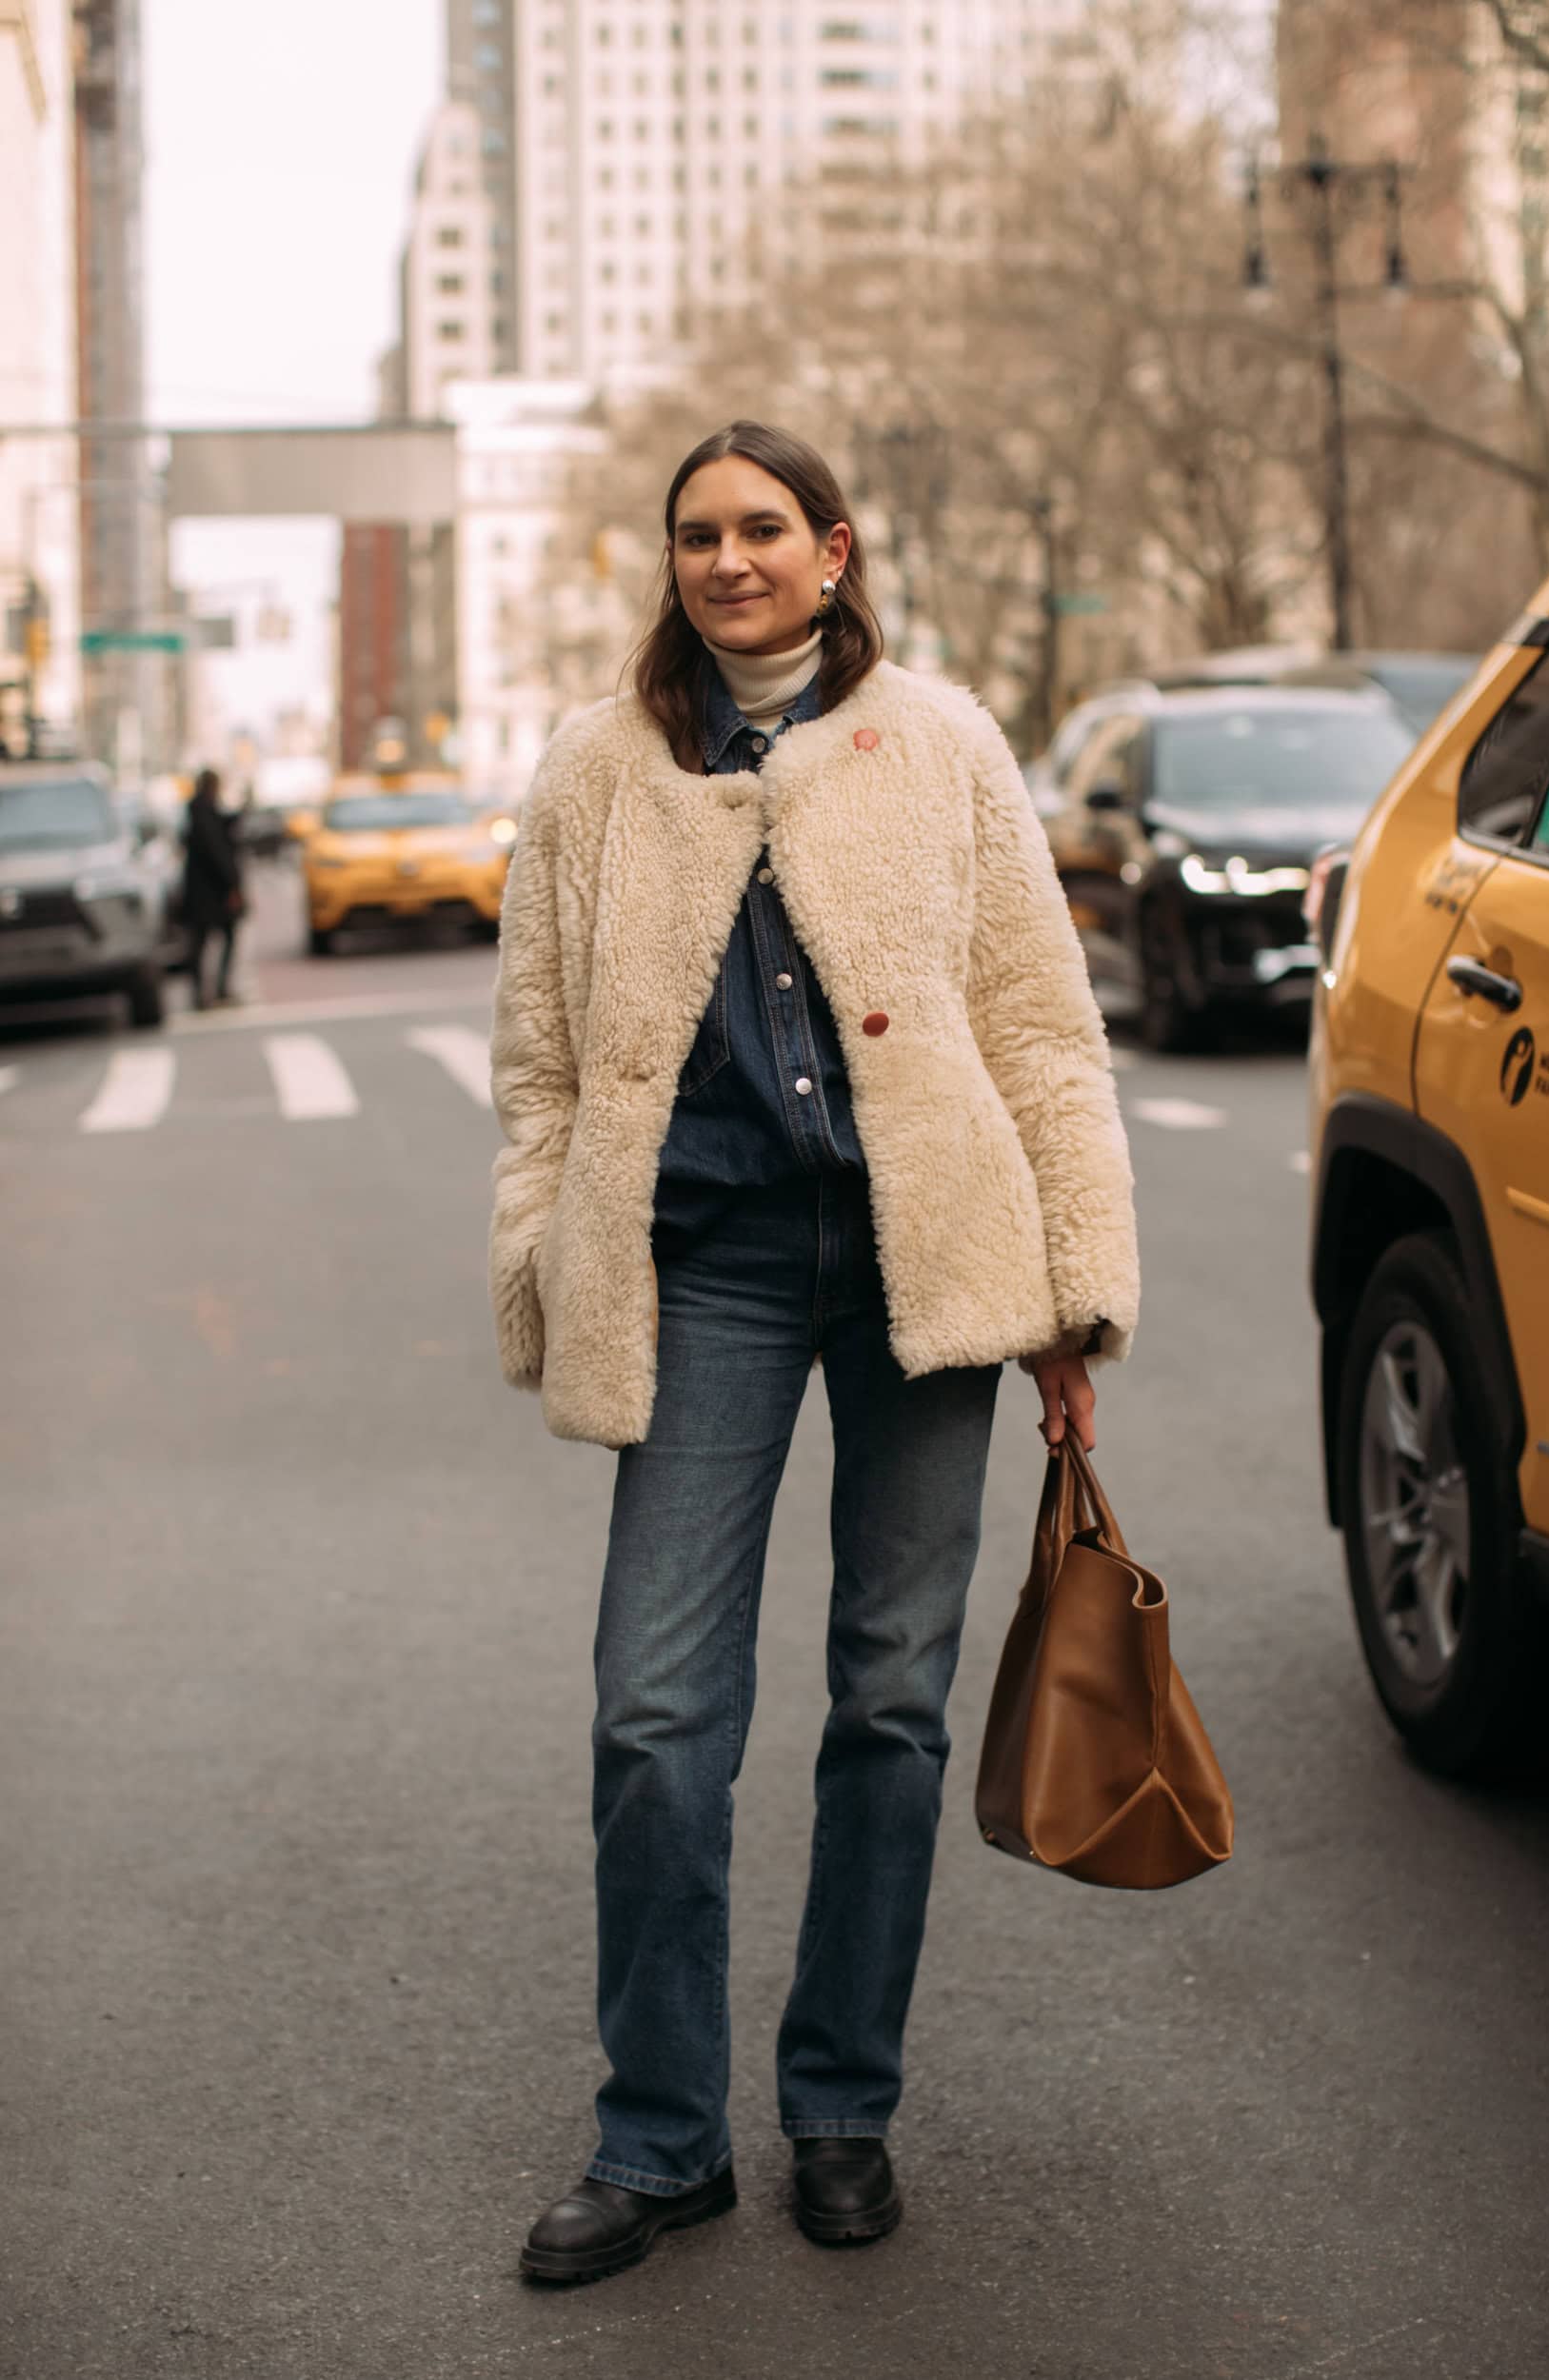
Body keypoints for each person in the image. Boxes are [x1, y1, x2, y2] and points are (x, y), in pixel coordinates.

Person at [489, 421, 1140, 2287]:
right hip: (701, 1267)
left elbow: (1035, 1021)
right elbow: (538, 1048)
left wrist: (1069, 1298)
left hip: (916, 1262)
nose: (725, 559)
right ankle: (660, 2136)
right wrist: (542, 1255)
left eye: (760, 527)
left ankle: (840, 2104)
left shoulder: (938, 742)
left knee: (887, 1695)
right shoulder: (599, 764)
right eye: (696, 533)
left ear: (832, 548)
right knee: (651, 1711)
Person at [181, 767, 244, 1009]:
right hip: (210, 893)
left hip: (203, 892)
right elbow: (217, 851)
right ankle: (212, 991)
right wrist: (232, 884)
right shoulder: (202, 812)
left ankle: (209, 991)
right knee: (205, 941)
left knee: (204, 941)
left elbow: (223, 825)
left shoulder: (200, 811)